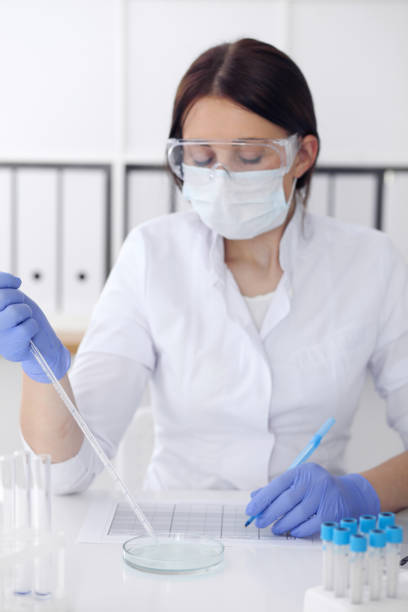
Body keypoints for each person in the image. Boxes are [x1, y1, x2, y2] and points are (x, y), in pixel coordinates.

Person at [1, 38, 407, 538]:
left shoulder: (372, 263)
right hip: (173, 538)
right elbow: (68, 472)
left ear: (302, 155)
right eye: (202, 157)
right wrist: (46, 375)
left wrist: (358, 494)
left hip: (310, 541)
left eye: (250, 157)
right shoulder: (153, 255)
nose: (221, 179)